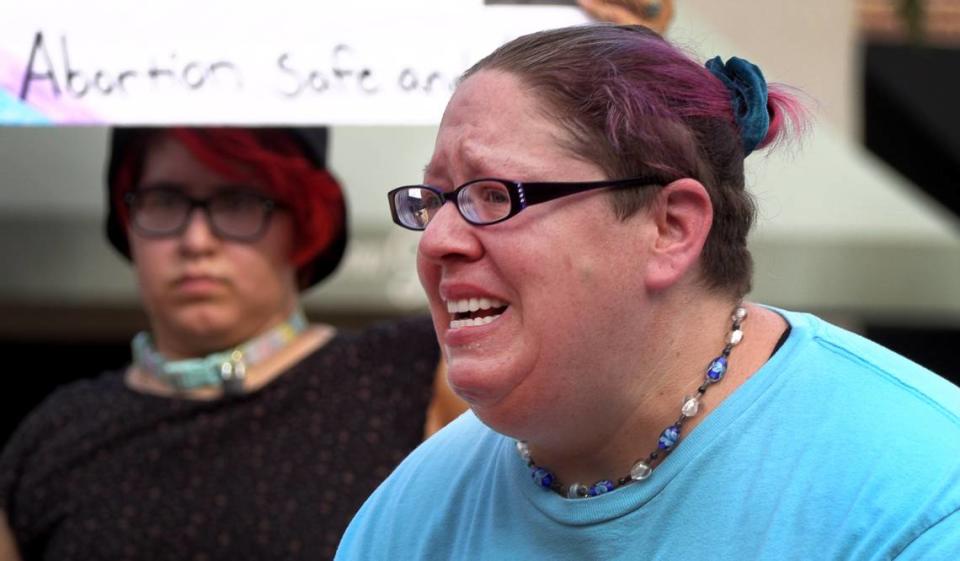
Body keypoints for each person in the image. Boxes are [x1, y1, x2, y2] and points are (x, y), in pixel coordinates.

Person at [336, 24, 960, 560]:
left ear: (670, 228)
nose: (438, 239)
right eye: (434, 201)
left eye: (493, 196)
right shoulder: (411, 514)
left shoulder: (917, 496)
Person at [0, 127, 457, 561]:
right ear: (127, 220)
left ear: (302, 220)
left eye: (237, 202)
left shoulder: (413, 376)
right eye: (164, 201)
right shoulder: (53, 437)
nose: (196, 240)